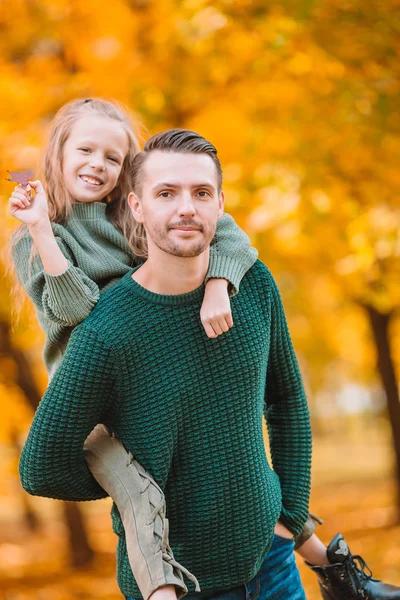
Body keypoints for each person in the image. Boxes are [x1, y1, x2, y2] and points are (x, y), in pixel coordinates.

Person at [10, 113, 400, 600]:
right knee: (134, 486)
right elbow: (41, 465)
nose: (185, 208)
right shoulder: (90, 303)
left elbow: (287, 402)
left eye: (201, 193)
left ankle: (331, 564)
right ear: (140, 205)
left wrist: (289, 518)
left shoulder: (250, 283)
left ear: (220, 202)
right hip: (185, 582)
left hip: (272, 562)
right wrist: (145, 484)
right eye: (166, 193)